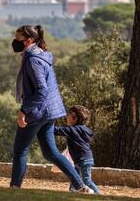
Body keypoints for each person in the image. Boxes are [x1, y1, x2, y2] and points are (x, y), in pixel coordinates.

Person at [9, 25, 93, 193]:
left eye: (18, 39)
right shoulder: (40, 56)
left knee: (20, 150)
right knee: (51, 153)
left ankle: (14, 188)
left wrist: (24, 110)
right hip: (49, 112)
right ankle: (80, 186)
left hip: (38, 112)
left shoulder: (33, 60)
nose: (14, 42)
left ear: (29, 41)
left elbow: (42, 90)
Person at [55, 105, 100, 194]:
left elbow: (57, 130)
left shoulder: (71, 130)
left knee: (86, 180)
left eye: (68, 115)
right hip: (84, 158)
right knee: (75, 177)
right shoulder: (85, 129)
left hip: (83, 159)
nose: (66, 117)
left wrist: (45, 126)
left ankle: (98, 195)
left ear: (74, 118)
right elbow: (91, 134)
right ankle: (72, 192)